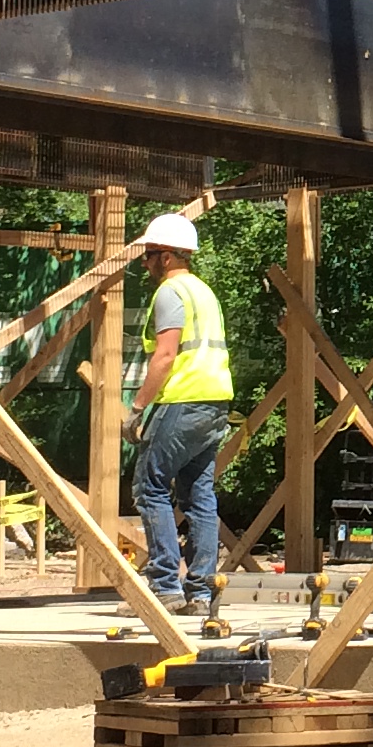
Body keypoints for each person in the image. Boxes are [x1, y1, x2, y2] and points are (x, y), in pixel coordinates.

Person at [129, 212, 232, 609]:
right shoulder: (204, 292)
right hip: (215, 401)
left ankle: (165, 587)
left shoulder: (170, 293)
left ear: (168, 257)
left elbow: (166, 355)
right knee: (199, 493)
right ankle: (202, 592)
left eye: (150, 254)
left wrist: (138, 408)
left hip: (183, 399)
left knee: (150, 487)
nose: (145, 263)